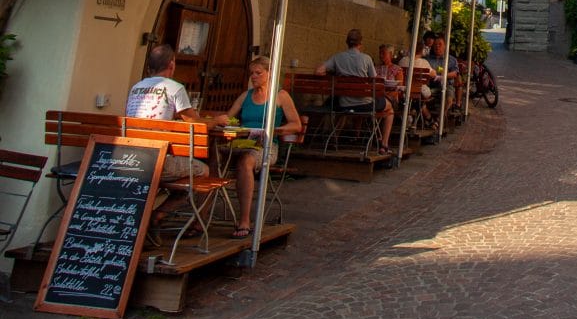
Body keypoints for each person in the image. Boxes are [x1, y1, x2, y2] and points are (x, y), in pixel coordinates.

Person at [210, 57, 301, 239]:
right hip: (241, 143)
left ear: (270, 74)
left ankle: (245, 220)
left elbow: (296, 125)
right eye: (251, 73)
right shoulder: (245, 96)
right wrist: (223, 121)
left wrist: (272, 130)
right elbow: (228, 118)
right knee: (213, 157)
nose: (254, 76)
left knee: (246, 161)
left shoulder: (280, 96)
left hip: (265, 146)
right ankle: (201, 219)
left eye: (258, 73)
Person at [125, 43, 208, 228]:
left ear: (149, 66)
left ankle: (145, 220)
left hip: (129, 158)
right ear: (172, 64)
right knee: (203, 171)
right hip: (157, 161)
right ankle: (159, 215)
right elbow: (195, 122)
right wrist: (218, 121)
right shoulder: (174, 88)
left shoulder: (136, 87)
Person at [316, 27, 391, 147]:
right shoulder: (366, 58)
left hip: (344, 104)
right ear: (360, 43)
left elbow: (319, 71)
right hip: (365, 105)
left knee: (343, 104)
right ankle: (384, 144)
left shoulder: (337, 57)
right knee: (389, 108)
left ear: (347, 42)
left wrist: (332, 73)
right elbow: (375, 82)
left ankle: (347, 136)